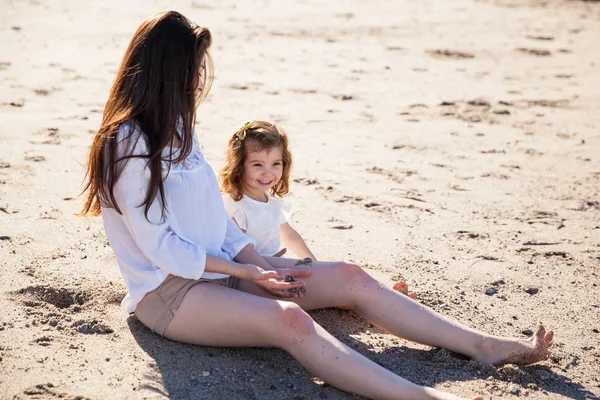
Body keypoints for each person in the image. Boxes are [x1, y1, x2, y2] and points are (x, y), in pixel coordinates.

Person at [79, 11, 554, 400]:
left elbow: (214, 222)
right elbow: (162, 248)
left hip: (224, 271)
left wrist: (259, 262)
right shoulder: (126, 143)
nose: (202, 80)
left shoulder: (180, 129)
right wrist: (250, 275)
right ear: (169, 72)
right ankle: (420, 397)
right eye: (195, 70)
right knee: (290, 320)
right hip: (171, 295)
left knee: (349, 275)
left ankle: (484, 346)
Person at [219, 120, 316, 260]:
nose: (268, 173)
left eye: (275, 164)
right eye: (258, 165)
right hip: (249, 270)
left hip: (273, 263)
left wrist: (312, 262)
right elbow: (238, 251)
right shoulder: (235, 205)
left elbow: (290, 236)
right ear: (239, 166)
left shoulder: (272, 203)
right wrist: (267, 264)